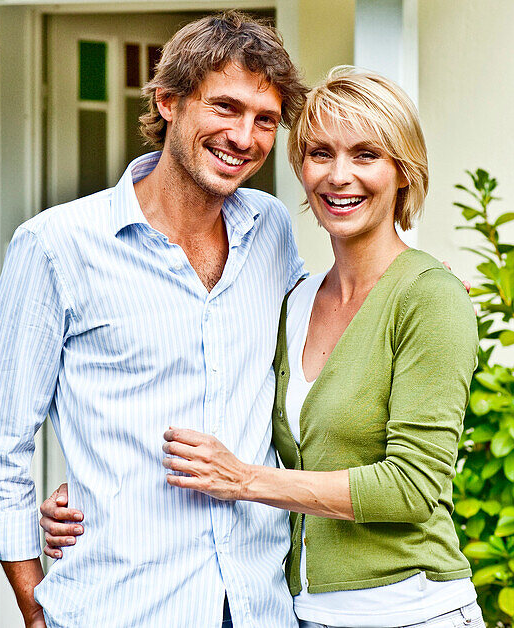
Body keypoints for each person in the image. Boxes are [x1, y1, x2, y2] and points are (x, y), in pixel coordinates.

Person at [44, 67, 483, 628]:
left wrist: (244, 480)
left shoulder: (428, 296)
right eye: (320, 153)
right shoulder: (295, 298)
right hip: (298, 612)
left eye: (366, 155)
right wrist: (101, 489)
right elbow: (223, 403)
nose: (339, 176)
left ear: (404, 172)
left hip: (409, 611)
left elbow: (413, 487)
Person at [0, 11, 308, 628]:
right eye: (225, 108)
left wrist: (405, 282)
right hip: (121, 609)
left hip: (258, 606)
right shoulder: (56, 245)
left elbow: (321, 340)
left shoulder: (271, 231)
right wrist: (32, 601)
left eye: (266, 120)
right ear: (169, 100)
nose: (245, 136)